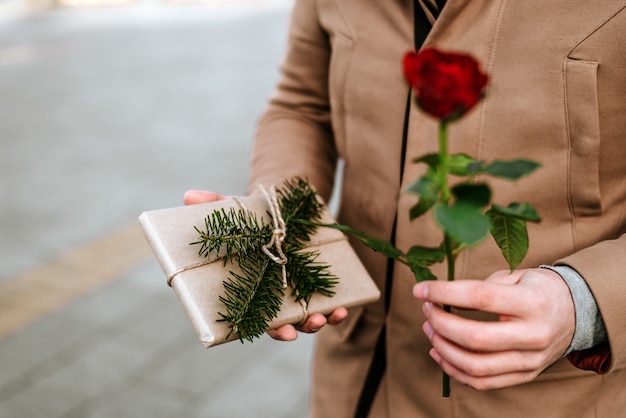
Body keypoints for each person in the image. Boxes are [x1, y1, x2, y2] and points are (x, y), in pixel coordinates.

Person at [185, 0, 626, 416]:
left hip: (546, 399)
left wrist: (583, 304)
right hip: (356, 382)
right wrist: (280, 217)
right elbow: (302, 104)